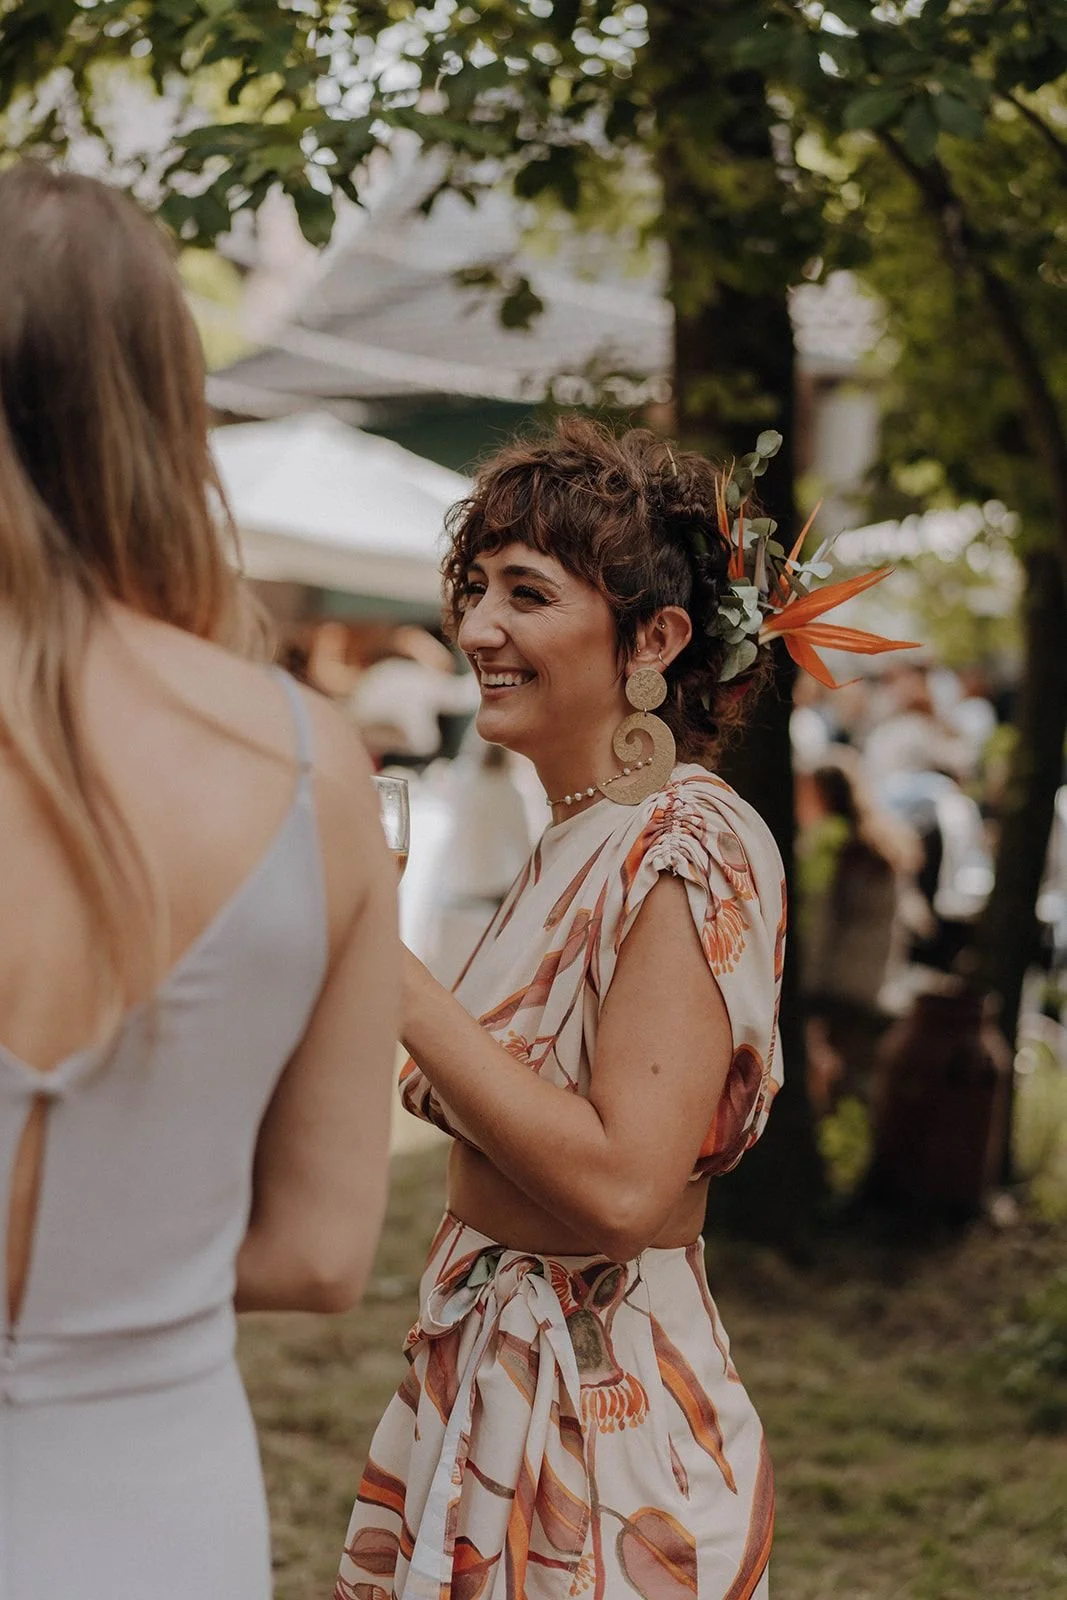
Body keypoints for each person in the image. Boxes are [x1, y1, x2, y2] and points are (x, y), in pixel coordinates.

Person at [0, 164, 399, 1600]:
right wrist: (115, 1271)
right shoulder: (314, 770)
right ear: (166, 412)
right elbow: (314, 1254)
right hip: (151, 1514)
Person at [336, 419, 786, 1600]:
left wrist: (383, 971)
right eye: (475, 588)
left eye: (526, 593)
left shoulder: (686, 839)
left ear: (654, 638)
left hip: (601, 1417)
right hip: (489, 1370)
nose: (477, 627)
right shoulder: (575, 836)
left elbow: (625, 1191)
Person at [796, 755, 923, 1112]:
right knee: (858, 1087)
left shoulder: (830, 847)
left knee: (827, 1086)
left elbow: (820, 928)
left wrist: (803, 990)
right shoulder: (884, 849)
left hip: (835, 986)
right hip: (876, 982)